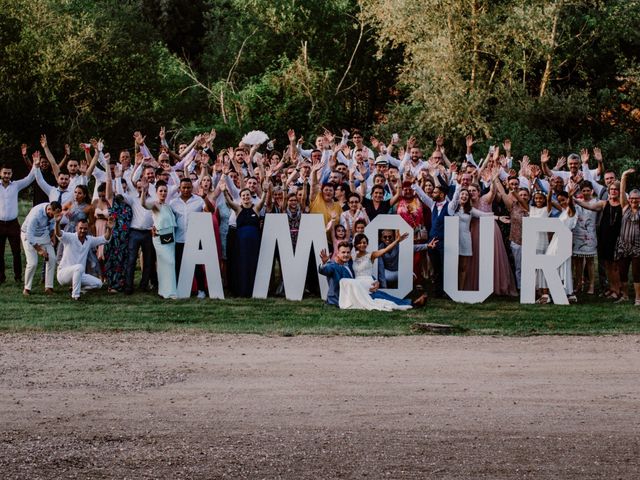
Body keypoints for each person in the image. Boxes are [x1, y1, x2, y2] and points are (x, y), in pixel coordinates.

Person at [331, 232, 428, 310]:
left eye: (364, 242)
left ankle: (412, 302)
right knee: (382, 297)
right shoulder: (353, 256)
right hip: (358, 285)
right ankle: (412, 302)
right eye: (360, 243)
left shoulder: (371, 255)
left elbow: (385, 250)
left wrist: (397, 241)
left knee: (383, 297)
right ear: (356, 244)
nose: (362, 244)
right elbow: (342, 259)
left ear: (367, 244)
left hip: (369, 284)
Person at [574, 181, 623, 300]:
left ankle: (617, 290)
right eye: (611, 189)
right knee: (607, 265)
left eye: (616, 189)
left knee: (615, 266)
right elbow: (589, 206)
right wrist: (573, 199)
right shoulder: (604, 203)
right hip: (604, 237)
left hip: (616, 238)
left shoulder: (622, 203)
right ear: (608, 191)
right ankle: (612, 289)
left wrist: (624, 176)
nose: (613, 191)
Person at [220, 178, 267, 297]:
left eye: (247, 195)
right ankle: (242, 290)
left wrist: (265, 191)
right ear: (241, 198)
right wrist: (224, 192)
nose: (246, 197)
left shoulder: (256, 208)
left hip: (254, 242)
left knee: (254, 263)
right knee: (242, 264)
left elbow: (262, 201)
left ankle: (254, 290)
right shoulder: (238, 209)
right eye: (243, 195)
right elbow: (230, 202)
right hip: (240, 243)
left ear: (250, 196)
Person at [55, 216, 114, 300]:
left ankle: (78, 289)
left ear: (88, 229)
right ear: (76, 228)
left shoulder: (89, 240)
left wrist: (109, 229)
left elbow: (104, 239)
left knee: (99, 283)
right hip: (63, 274)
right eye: (80, 228)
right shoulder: (70, 237)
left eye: (85, 229)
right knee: (79, 267)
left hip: (79, 274)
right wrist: (57, 223)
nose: (83, 231)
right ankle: (76, 296)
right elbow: (58, 234)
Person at [447, 187, 495, 289]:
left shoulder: (470, 210)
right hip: (453, 239)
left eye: (466, 195)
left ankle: (461, 288)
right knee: (452, 265)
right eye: (462, 194)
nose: (464, 196)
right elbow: (451, 208)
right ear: (459, 196)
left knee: (463, 266)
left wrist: (498, 217)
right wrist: (457, 190)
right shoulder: (452, 207)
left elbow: (484, 215)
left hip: (465, 240)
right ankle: (452, 288)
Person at [0, 156, 37, 284]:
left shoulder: (15, 185)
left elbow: (29, 178)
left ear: (11, 174)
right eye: (4, 173)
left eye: (9, 173)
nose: (7, 175)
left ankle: (18, 277)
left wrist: (35, 165)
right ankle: (1, 277)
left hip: (13, 223)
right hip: (0, 224)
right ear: (1, 173)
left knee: (17, 252)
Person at [142, 180, 177, 299]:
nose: (163, 193)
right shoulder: (155, 205)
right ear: (156, 192)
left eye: (165, 191)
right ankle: (166, 291)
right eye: (161, 191)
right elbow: (144, 204)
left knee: (169, 264)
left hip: (170, 236)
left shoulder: (168, 206)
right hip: (160, 238)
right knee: (167, 263)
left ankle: (168, 291)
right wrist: (143, 191)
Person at [20, 201, 62, 295]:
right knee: (33, 263)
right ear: (49, 209)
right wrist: (39, 250)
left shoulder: (53, 212)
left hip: (43, 234)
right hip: (28, 235)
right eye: (52, 214)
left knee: (52, 258)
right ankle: (27, 288)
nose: (53, 216)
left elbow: (51, 224)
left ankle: (49, 287)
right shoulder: (36, 214)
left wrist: (52, 235)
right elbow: (29, 234)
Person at [614, 169, 640, 305]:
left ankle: (638, 298)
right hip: (623, 246)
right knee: (622, 272)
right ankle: (624, 295)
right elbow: (622, 190)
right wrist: (623, 176)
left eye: (636, 198)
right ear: (629, 199)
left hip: (637, 247)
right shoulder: (625, 207)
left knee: (637, 274)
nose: (634, 200)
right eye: (632, 198)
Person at [548, 190, 578, 302]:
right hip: (557, 239)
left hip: (564, 240)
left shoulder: (572, 211)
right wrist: (550, 190)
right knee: (555, 265)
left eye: (563, 200)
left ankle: (566, 291)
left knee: (563, 265)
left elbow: (570, 204)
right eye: (560, 201)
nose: (562, 203)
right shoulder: (564, 211)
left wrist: (570, 195)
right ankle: (556, 289)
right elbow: (550, 201)